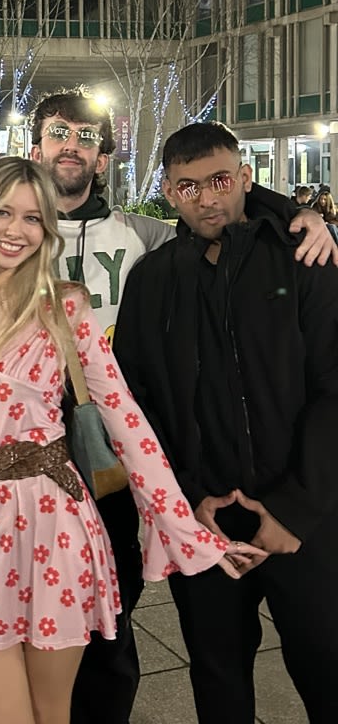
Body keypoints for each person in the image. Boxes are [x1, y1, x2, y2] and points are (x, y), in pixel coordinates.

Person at [0, 88, 334, 724]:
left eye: (86, 137)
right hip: (46, 475)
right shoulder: (137, 267)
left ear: (103, 157)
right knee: (192, 664)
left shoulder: (146, 238)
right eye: (58, 133)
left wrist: (302, 213)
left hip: (159, 481)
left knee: (123, 628)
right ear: (35, 147)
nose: (205, 197)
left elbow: (223, 207)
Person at [0, 157, 262, 724]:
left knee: (51, 714)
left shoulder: (64, 308)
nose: (16, 230)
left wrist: (189, 533)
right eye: (3, 213)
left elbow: (126, 422)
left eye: (33, 218)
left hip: (54, 528)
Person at [113, 121, 338, 724]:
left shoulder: (304, 260)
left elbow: (333, 388)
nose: (207, 198)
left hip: (303, 519)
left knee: (326, 667)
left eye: (219, 180)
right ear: (169, 191)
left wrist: (294, 510)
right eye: (188, 187)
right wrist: (186, 503)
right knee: (217, 678)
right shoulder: (152, 280)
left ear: (244, 177)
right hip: (202, 520)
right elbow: (136, 407)